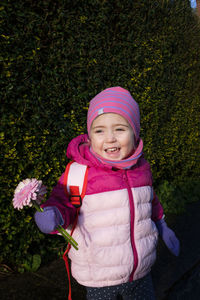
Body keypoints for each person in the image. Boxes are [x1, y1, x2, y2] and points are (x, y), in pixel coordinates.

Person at [35, 87, 180, 300]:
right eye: (99, 130)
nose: (110, 138)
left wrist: (162, 225)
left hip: (141, 271)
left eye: (120, 129)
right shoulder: (79, 173)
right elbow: (62, 201)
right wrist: (53, 213)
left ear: (135, 132)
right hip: (100, 277)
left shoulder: (141, 168)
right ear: (89, 135)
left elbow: (149, 201)